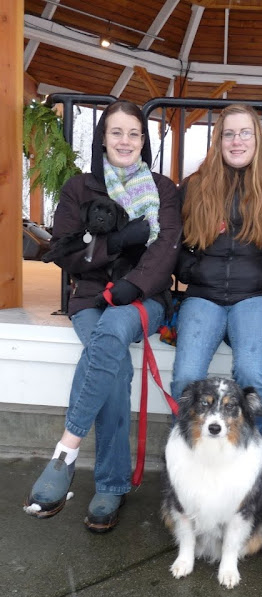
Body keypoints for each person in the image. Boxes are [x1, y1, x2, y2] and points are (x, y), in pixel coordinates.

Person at [25, 100, 180, 532]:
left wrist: (135, 284)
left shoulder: (163, 189)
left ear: (144, 141)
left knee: (112, 331)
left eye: (134, 133)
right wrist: (115, 243)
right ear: (103, 138)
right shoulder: (79, 188)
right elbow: (65, 253)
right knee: (114, 366)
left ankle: (66, 452)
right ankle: (112, 484)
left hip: (143, 297)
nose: (125, 141)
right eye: (116, 132)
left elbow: (167, 247)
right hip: (91, 297)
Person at [171, 104, 262, 434]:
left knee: (251, 375)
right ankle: (187, 450)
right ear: (218, 140)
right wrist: (190, 271)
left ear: (257, 139)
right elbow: (172, 243)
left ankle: (247, 451)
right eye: (229, 134)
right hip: (203, 295)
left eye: (245, 133)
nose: (237, 141)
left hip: (255, 296)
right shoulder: (193, 186)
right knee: (186, 375)